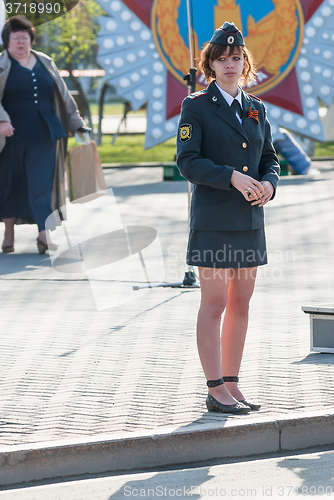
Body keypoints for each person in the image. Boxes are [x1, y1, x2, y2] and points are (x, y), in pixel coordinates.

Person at [177, 22, 280, 414]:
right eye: (222, 59)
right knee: (215, 302)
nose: (230, 64)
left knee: (242, 304)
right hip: (214, 219)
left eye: (236, 58)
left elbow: (269, 158)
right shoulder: (197, 106)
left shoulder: (257, 107)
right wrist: (232, 177)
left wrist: (269, 183)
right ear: (211, 65)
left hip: (250, 219)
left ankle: (233, 383)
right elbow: (188, 161)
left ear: (245, 62)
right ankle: (214, 387)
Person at [0, 15, 88, 254]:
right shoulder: (1, 65)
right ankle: (9, 233)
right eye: (16, 38)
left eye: (25, 37)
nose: (21, 42)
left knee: (42, 186)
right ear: (7, 41)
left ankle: (43, 235)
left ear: (31, 39)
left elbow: (63, 95)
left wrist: (77, 123)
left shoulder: (46, 61)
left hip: (46, 133)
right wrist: (2, 119)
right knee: (11, 185)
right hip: (11, 137)